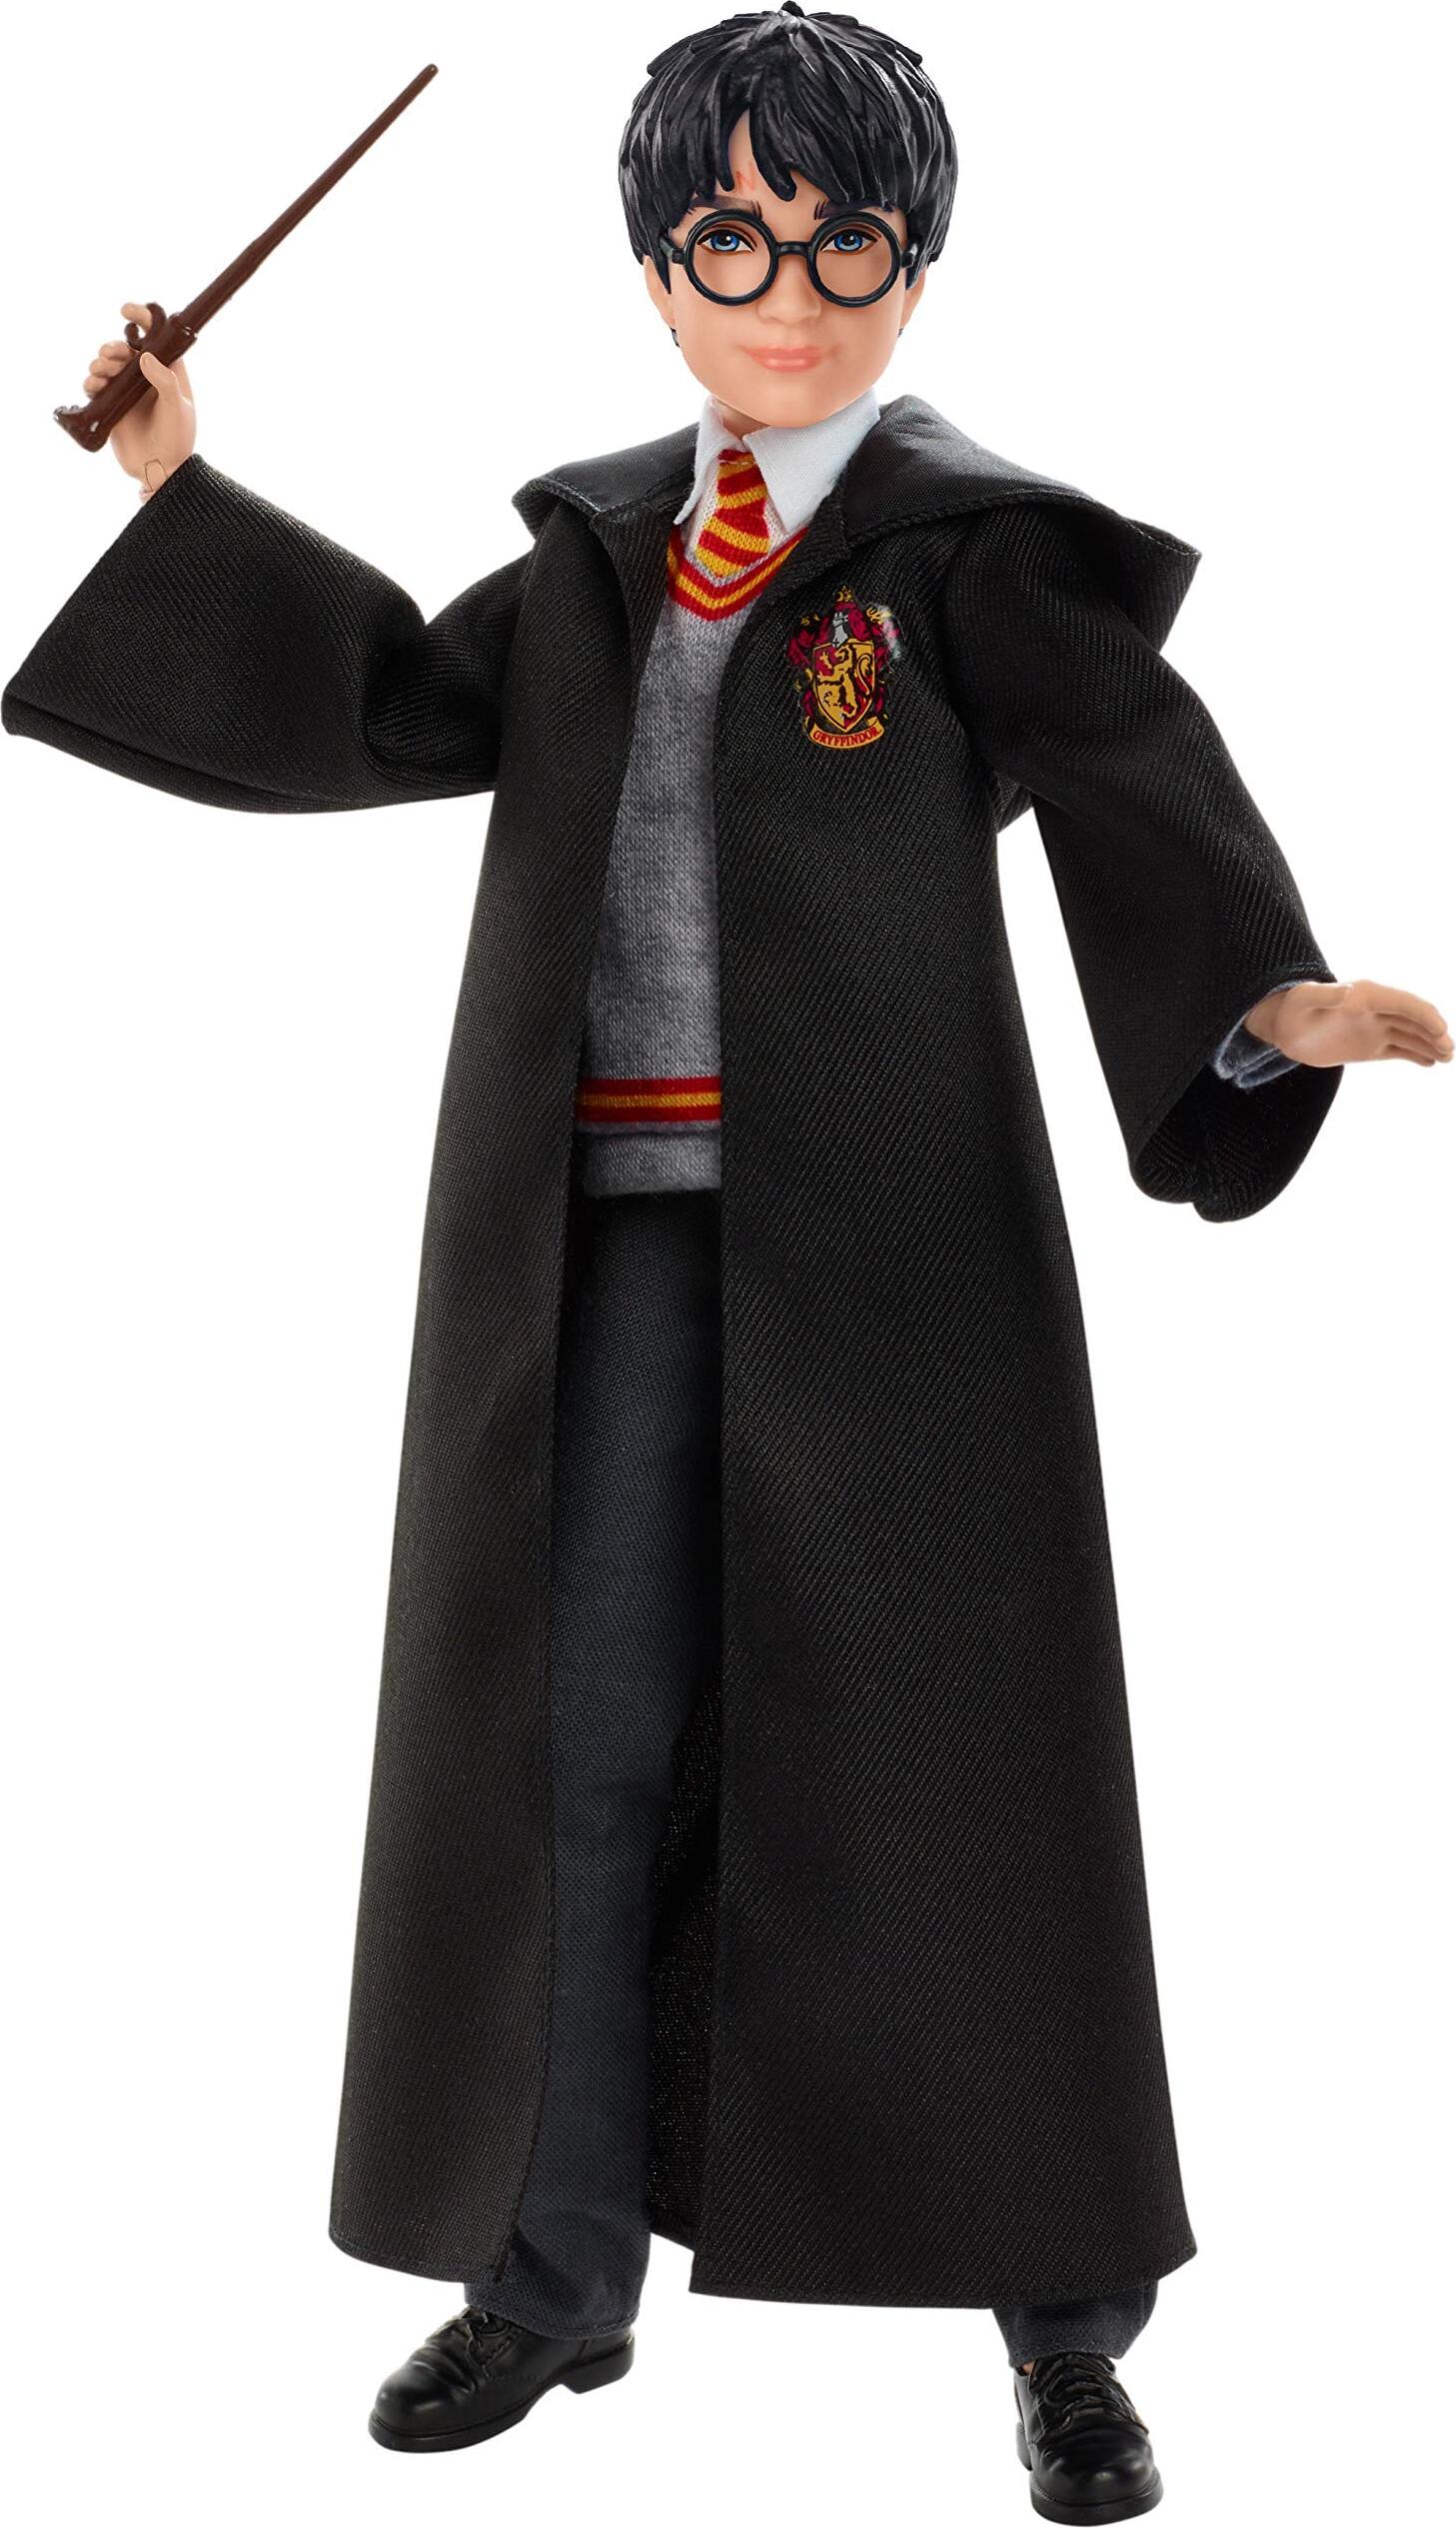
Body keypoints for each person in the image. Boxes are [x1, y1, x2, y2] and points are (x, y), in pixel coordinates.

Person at [5, 9, 1448, 2517]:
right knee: (569, 1745)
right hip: (601, 1249)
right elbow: (389, 701)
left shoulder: (966, 556)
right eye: (733, 242)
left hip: (899, 1257)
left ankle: (1065, 2328)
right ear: (658, 273)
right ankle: (555, 2265)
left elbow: (1127, 757)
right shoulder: (596, 553)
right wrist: (175, 476)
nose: (790, 294)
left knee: (970, 1764)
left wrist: (1261, 994)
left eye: (846, 242)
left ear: (921, 266)